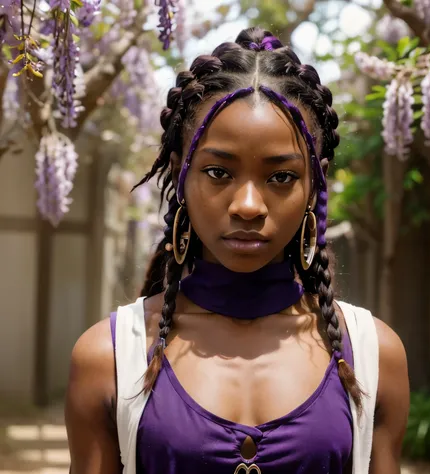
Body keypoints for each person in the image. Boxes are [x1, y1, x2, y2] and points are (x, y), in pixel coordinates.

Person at [65, 27, 409, 474]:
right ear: (179, 173)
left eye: (281, 177)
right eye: (217, 172)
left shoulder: (371, 354)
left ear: (315, 185)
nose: (248, 206)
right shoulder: (108, 357)